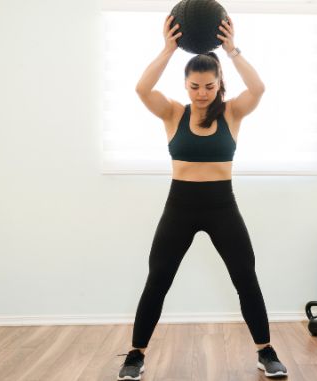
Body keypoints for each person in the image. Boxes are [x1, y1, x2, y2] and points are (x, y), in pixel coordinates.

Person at [116, 14, 288, 380]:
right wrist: (167, 49)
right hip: (179, 205)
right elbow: (142, 90)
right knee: (158, 278)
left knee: (245, 276)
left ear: (218, 82)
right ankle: (136, 354)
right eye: (194, 86)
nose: (201, 93)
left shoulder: (232, 113)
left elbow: (258, 89)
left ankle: (265, 351)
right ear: (186, 84)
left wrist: (232, 49)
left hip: (222, 205)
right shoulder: (173, 113)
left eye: (209, 86)